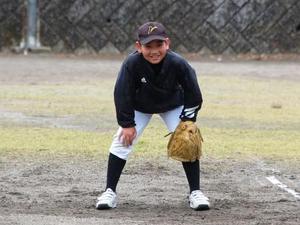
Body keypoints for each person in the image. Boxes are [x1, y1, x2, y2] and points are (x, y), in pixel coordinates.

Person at [95, 21, 210, 211]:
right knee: (122, 141)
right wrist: (127, 124)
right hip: (140, 107)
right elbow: (121, 93)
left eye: (159, 45)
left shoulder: (178, 63)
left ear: (167, 43)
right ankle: (109, 192)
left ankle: (195, 192)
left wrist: (188, 120)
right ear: (138, 47)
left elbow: (194, 93)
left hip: (172, 104)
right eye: (148, 46)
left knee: (189, 140)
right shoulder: (131, 64)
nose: (154, 51)